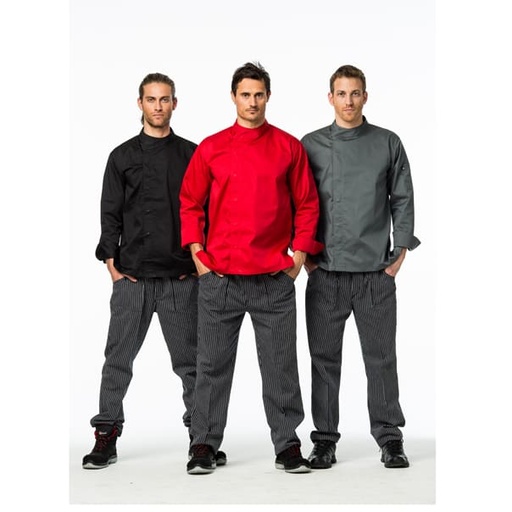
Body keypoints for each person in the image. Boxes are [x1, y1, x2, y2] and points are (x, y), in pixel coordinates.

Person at [179, 62, 324, 475]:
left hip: (273, 281)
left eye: (259, 94)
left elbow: (307, 204)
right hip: (220, 279)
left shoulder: (288, 147)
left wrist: (298, 257)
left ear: (268, 97)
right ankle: (204, 443)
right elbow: (190, 202)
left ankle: (287, 444)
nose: (252, 102)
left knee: (281, 367)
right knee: (211, 366)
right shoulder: (211, 148)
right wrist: (197, 255)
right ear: (233, 97)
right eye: (245, 94)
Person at [83, 72, 226, 469]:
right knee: (117, 361)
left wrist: (200, 265)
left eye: (165, 99)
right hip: (132, 279)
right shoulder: (121, 156)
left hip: (181, 279)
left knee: (192, 364)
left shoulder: (192, 155)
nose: (158, 106)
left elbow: (207, 212)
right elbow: (109, 214)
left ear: (174, 104)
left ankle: (202, 439)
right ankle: (106, 436)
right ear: (140, 103)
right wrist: (111, 264)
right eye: (151, 99)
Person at [301, 64, 421, 470]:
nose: (348, 101)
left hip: (374, 274)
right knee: (324, 360)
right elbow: (298, 202)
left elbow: (402, 198)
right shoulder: (311, 145)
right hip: (326, 274)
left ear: (365, 96)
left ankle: (390, 439)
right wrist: (307, 258)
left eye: (355, 93)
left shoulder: (387, 142)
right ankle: (324, 441)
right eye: (341, 93)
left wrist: (400, 249)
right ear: (330, 97)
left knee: (381, 358)